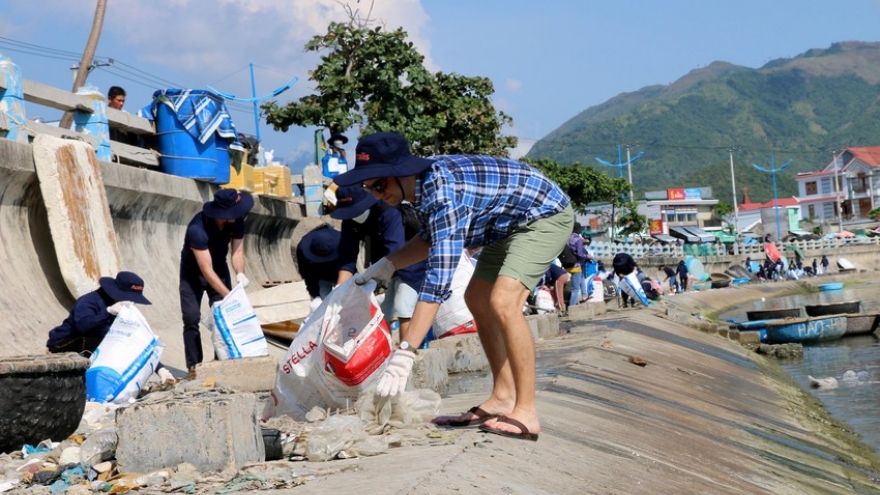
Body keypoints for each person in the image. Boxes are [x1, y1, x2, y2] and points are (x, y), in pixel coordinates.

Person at [333, 132, 572, 441]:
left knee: (504, 301)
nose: (378, 195)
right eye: (370, 188)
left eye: (381, 185)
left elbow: (436, 284)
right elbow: (431, 239)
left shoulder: (444, 195)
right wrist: (387, 265)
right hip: (503, 227)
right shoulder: (421, 191)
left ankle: (526, 411)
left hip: (542, 216)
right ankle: (502, 396)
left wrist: (406, 352)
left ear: (404, 172)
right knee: (476, 297)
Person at [331, 185, 427, 339]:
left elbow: (395, 250)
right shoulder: (349, 221)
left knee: (403, 306)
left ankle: (407, 353)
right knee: (379, 311)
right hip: (382, 263)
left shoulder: (388, 211)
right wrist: (338, 293)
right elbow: (347, 256)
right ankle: (384, 352)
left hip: (410, 260)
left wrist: (376, 282)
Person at [179, 189, 253, 380]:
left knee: (224, 317)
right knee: (191, 317)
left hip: (219, 267)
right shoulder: (197, 229)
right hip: (193, 272)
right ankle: (194, 368)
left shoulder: (237, 222)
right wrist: (229, 295)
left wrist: (240, 273)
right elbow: (206, 269)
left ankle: (221, 364)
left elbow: (236, 252)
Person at [47, 271, 174, 383]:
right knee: (95, 338)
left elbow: (134, 341)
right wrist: (108, 312)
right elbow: (83, 327)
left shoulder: (124, 309)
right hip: (64, 343)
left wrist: (160, 368)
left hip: (95, 343)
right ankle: (85, 380)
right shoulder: (88, 301)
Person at [566, 222, 590, 308]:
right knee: (575, 289)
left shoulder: (567, 238)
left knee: (582, 277)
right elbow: (580, 253)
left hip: (567, 264)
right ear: (578, 229)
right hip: (576, 266)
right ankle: (571, 308)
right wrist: (586, 256)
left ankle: (584, 295)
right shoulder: (578, 239)